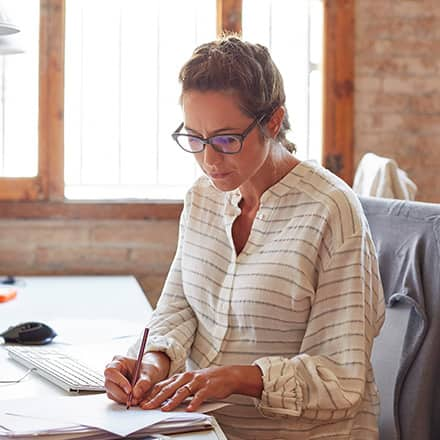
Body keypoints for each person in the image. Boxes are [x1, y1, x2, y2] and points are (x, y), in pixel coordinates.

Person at [104, 35, 385, 440]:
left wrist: (239, 378)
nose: (209, 160)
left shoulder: (330, 211)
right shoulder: (202, 197)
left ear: (272, 121)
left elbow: (341, 378)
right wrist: (152, 362)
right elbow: (180, 307)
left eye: (225, 139)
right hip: (199, 427)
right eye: (195, 139)